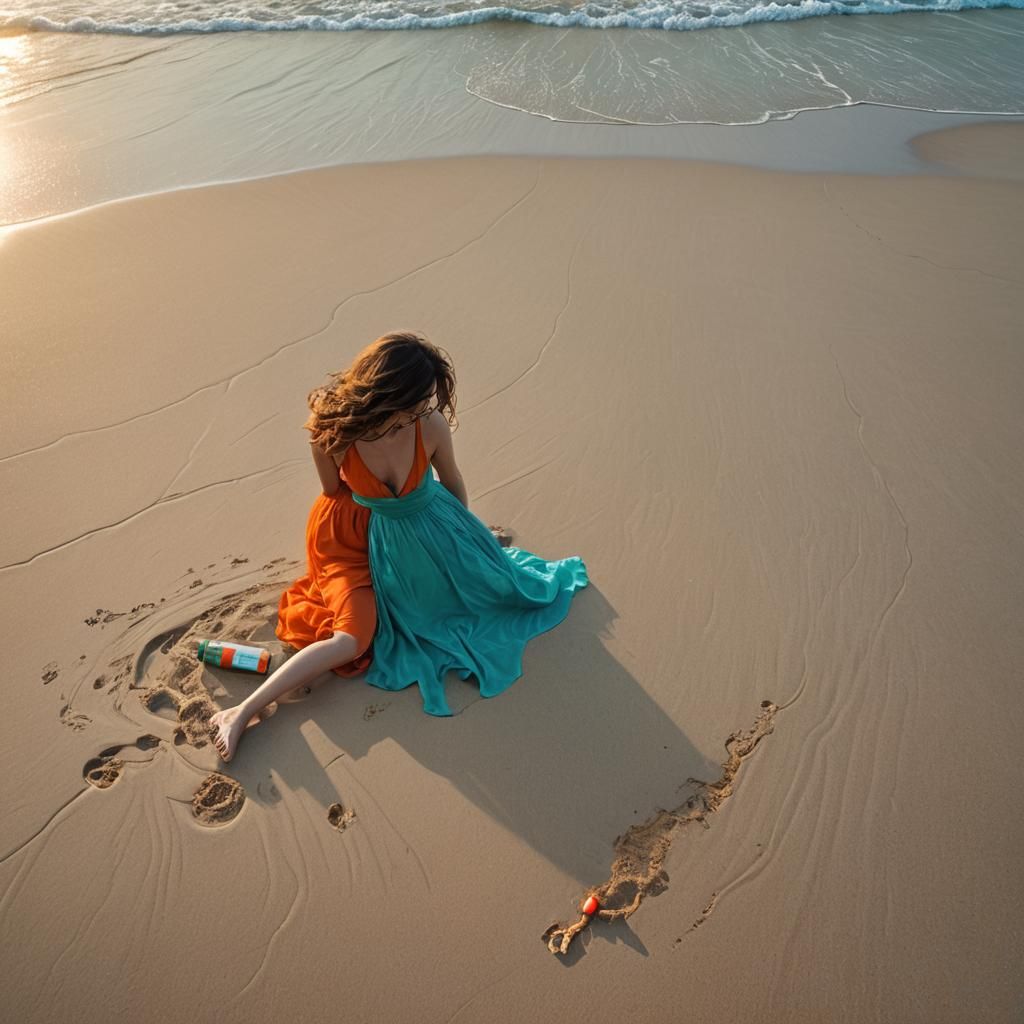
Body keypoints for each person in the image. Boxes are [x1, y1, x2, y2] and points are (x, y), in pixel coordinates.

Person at [210, 331, 587, 761]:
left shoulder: (429, 425)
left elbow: (453, 482)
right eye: (416, 401)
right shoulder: (331, 436)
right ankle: (240, 712)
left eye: (426, 401)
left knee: (495, 590)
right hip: (349, 540)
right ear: (388, 393)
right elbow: (334, 494)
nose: (422, 410)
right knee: (352, 639)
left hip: (423, 524)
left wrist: (462, 540)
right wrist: (386, 528)